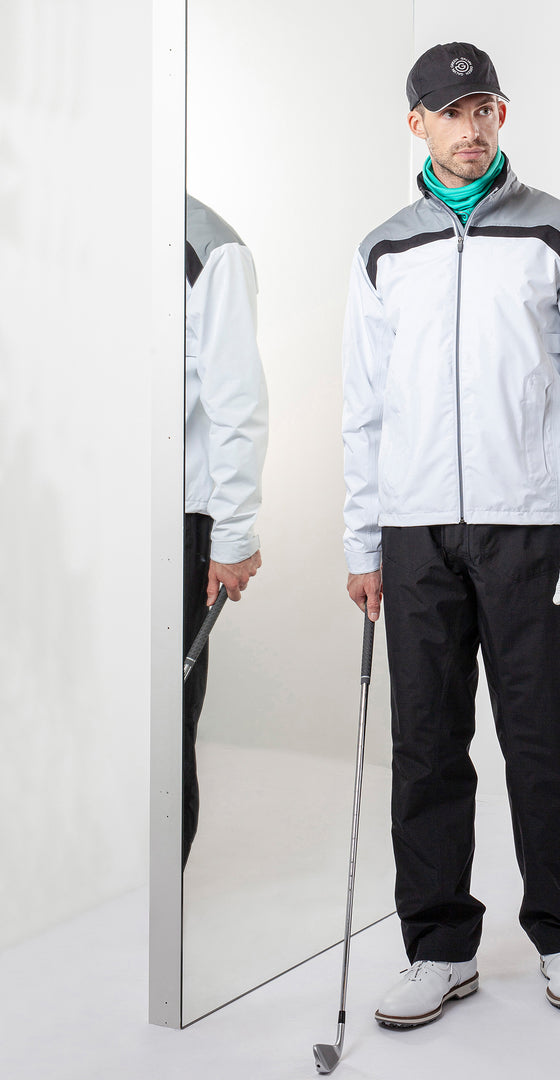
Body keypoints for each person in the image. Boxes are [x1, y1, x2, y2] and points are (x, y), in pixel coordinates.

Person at [341, 42, 560, 1027]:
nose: (471, 128)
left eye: (484, 109)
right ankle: (439, 949)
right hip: (416, 529)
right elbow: (363, 408)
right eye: (451, 111)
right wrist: (364, 541)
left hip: (534, 527)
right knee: (427, 746)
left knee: (545, 741)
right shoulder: (384, 249)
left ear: (500, 116)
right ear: (416, 123)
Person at [183, 195, 269, 869]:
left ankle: (154, 897)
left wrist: (233, 535)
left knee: (161, 722)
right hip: (71, 519)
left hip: (173, 521)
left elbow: (237, 399)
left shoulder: (210, 247)